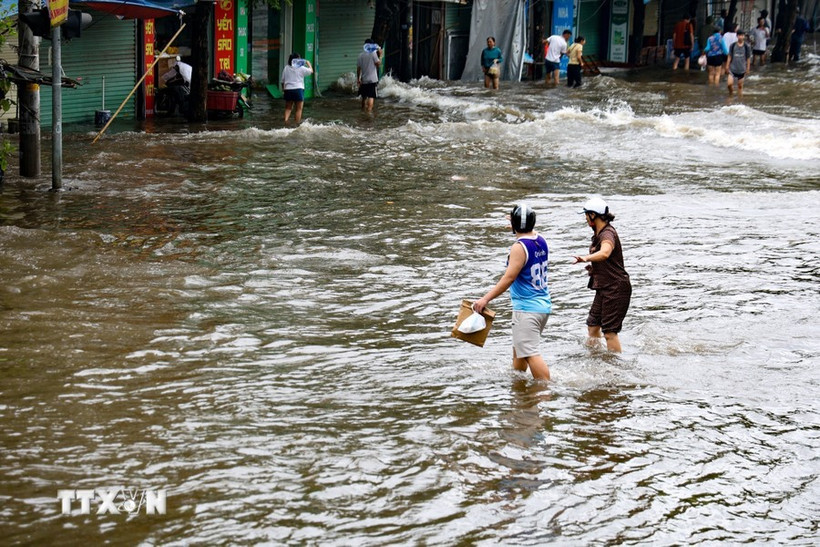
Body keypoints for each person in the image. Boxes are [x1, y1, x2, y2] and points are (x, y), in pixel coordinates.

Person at [473, 203, 552, 381]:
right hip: (541, 306)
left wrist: (485, 299)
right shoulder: (541, 240)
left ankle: (546, 391)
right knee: (520, 353)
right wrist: (518, 222)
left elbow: (509, 278)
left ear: (515, 225)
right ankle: (518, 392)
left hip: (527, 309)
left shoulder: (519, 247)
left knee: (531, 354)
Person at [572, 197, 631, 354]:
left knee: (610, 332)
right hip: (604, 287)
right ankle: (597, 358)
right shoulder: (598, 233)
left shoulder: (607, 234)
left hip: (616, 288)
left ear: (593, 215)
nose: (585, 218)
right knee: (592, 326)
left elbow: (605, 252)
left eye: (586, 214)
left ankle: (615, 367)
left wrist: (586, 258)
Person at [280, 52, 313, 124]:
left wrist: (284, 90)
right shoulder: (301, 68)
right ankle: (296, 124)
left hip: (288, 90)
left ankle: (285, 122)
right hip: (298, 90)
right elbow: (311, 71)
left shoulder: (286, 68)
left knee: (288, 108)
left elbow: (282, 81)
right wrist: (308, 63)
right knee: (298, 109)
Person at [357, 38, 382, 113]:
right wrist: (380, 55)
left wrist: (358, 79)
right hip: (372, 79)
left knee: (364, 97)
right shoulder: (373, 53)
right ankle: (369, 112)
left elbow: (358, 69)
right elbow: (378, 64)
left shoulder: (360, 55)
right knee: (371, 96)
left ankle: (363, 110)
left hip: (364, 79)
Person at [727, 30, 752, 97]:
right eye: (739, 35)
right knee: (729, 84)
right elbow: (729, 56)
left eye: (742, 35)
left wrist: (748, 68)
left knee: (740, 86)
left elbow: (748, 58)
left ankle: (740, 100)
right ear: (737, 36)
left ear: (744, 36)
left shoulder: (747, 46)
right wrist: (727, 66)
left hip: (742, 69)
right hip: (732, 69)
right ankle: (731, 94)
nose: (740, 37)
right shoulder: (733, 46)